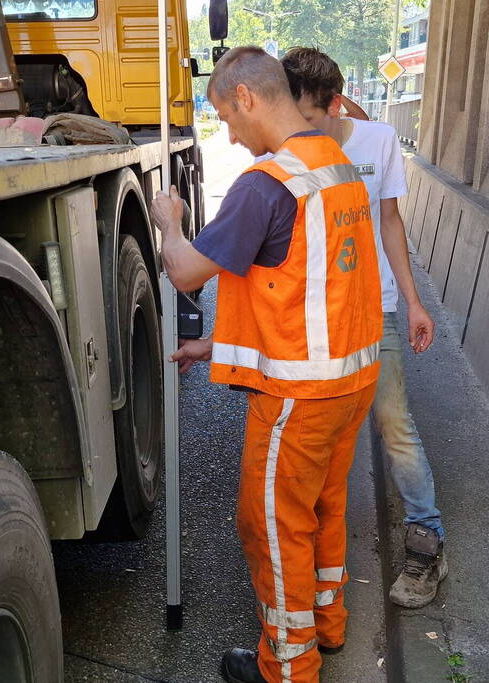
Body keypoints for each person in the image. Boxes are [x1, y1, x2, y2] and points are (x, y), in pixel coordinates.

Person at [150, 46, 383, 683]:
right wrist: (216, 347)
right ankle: (328, 627)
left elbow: (185, 271)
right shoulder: (334, 163)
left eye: (225, 115)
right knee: (324, 509)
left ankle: (288, 667)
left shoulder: (265, 184)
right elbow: (304, 291)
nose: (227, 132)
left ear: (248, 98)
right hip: (349, 384)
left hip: (298, 398)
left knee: (271, 526)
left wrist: (170, 222)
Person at [279, 47, 447, 609]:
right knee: (318, 437)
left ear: (331, 103)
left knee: (394, 427)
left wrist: (414, 304)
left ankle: (427, 547)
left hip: (376, 311)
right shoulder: (286, 151)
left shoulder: (377, 142)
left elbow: (391, 223)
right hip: (316, 318)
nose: (297, 127)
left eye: (306, 115)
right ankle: (320, 559)